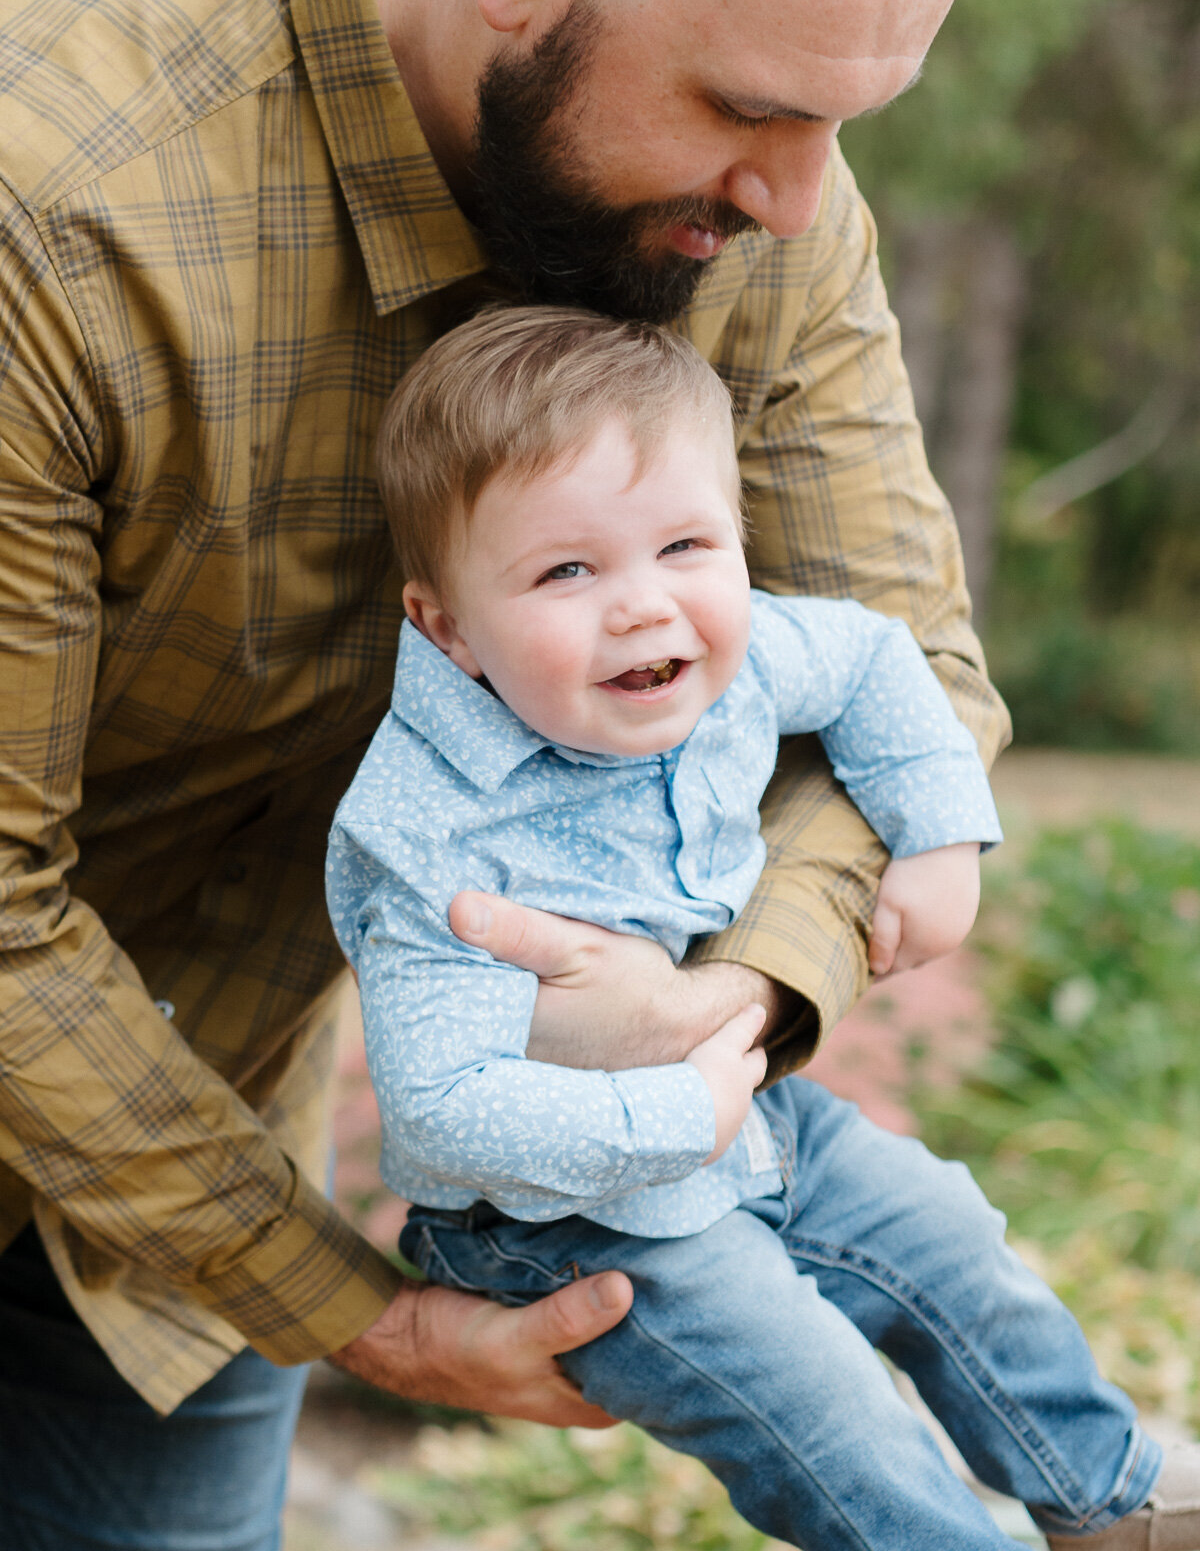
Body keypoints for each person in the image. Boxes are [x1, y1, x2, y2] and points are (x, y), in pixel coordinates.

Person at [0, 0, 1159, 1544]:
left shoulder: (756, 184)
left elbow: (900, 654)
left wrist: (739, 1002)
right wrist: (361, 1309)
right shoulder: (52, 196)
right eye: (753, 108)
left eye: (844, 124)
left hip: (193, 1153)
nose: (798, 199)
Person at [326, 304, 1190, 1551]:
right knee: (825, 1408)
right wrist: (674, 1117)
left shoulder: (730, 660)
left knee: (947, 1235)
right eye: (568, 570)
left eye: (684, 543)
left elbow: (875, 659)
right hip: (559, 1215)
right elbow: (440, 1102)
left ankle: (1111, 1497)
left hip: (754, 1122)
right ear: (446, 626)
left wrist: (940, 833)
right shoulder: (430, 833)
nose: (644, 607)